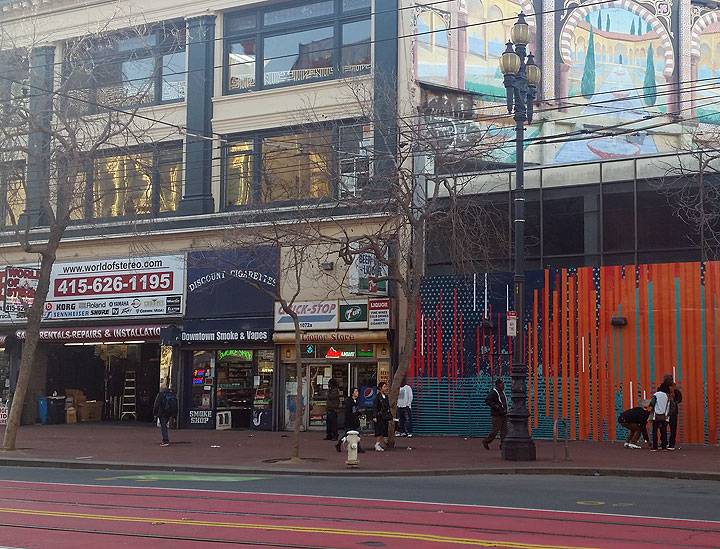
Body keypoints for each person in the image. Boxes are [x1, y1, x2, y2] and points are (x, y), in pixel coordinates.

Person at [336, 387, 365, 453]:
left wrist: (359, 413)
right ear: (352, 393)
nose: (357, 393)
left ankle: (358, 446)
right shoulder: (349, 401)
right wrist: (357, 413)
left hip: (355, 420)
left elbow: (356, 410)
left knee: (357, 433)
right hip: (350, 421)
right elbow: (350, 412)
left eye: (357, 391)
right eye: (356, 391)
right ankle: (339, 444)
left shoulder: (356, 401)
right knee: (347, 434)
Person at [483, 379, 508, 450]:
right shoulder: (493, 392)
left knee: (504, 431)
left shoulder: (502, 392)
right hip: (497, 416)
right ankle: (486, 441)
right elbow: (487, 400)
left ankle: (503, 445)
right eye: (502, 384)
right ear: (498, 385)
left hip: (504, 414)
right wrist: (496, 407)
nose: (503, 385)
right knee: (495, 431)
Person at [650, 385, 671, 451]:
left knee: (654, 432)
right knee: (663, 432)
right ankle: (664, 447)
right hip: (664, 416)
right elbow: (669, 405)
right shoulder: (667, 396)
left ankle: (655, 447)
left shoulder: (656, 394)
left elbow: (652, 403)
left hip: (656, 416)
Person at [373, 381, 392, 451]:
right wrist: (374, 416)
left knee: (384, 431)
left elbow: (388, 407)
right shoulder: (377, 397)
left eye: (386, 386)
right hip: (379, 416)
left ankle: (383, 443)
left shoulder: (386, 397)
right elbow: (375, 407)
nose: (386, 388)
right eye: (384, 387)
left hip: (385, 417)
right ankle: (377, 444)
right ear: (380, 388)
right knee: (379, 431)